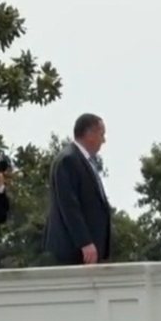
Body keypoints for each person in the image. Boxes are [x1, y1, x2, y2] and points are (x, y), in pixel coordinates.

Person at [44, 113, 112, 265]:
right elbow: (68, 205)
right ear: (90, 134)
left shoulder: (85, 161)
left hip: (90, 252)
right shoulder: (68, 160)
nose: (104, 140)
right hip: (74, 251)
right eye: (101, 135)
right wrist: (85, 242)